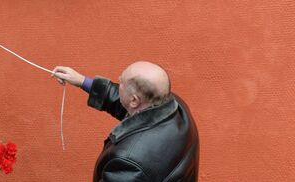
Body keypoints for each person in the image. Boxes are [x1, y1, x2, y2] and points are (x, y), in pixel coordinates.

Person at [53, 61, 199, 181]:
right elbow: (125, 103)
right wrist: (83, 82)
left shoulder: (128, 163)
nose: (118, 81)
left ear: (135, 100)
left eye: (121, 82)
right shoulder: (174, 107)